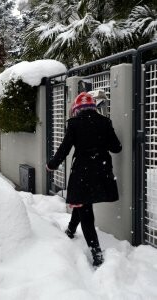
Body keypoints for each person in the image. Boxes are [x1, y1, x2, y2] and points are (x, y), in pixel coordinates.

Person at [46, 91, 122, 267]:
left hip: (83, 172)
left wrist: (52, 164)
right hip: (102, 171)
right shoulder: (104, 122)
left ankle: (96, 252)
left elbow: (64, 149)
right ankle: (71, 230)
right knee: (81, 203)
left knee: (85, 208)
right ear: (93, 107)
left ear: (77, 109)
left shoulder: (74, 124)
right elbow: (116, 147)